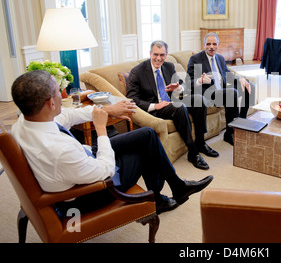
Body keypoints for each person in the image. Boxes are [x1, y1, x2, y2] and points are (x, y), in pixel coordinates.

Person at [11, 70, 213, 215]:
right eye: (58, 92)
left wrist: (107, 111)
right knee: (145, 151)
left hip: (81, 160)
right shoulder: (59, 150)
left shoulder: (25, 122)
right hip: (91, 192)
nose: (61, 95)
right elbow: (105, 170)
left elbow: (69, 115)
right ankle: (158, 199)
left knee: (147, 135)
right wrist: (101, 129)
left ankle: (177, 187)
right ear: (51, 103)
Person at [127, 40, 218, 171]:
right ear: (150, 53)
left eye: (162, 55)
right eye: (155, 54)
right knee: (179, 107)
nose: (158, 58)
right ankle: (192, 152)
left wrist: (179, 87)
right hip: (156, 107)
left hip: (172, 101)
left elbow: (184, 86)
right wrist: (154, 106)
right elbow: (132, 99)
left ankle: (201, 143)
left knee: (199, 99)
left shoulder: (169, 67)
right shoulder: (137, 71)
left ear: (166, 54)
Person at [187, 32, 255, 145]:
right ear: (204, 45)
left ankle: (241, 123)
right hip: (207, 92)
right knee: (231, 93)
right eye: (208, 44)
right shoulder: (196, 59)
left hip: (222, 89)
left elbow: (227, 74)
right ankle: (229, 133)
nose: (211, 47)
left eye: (214, 44)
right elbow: (189, 82)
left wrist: (240, 79)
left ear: (218, 44)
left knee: (248, 85)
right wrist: (200, 80)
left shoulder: (220, 58)